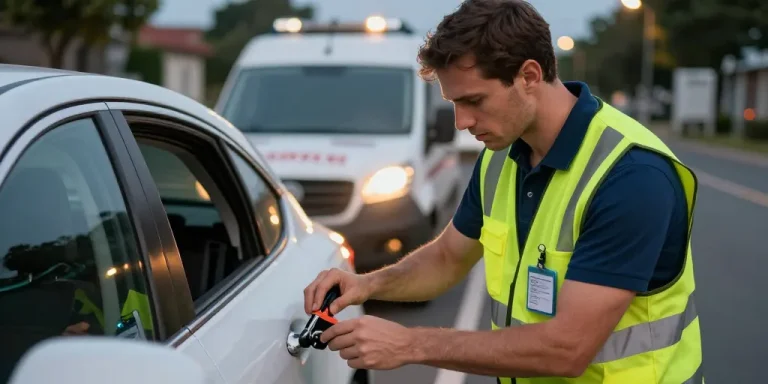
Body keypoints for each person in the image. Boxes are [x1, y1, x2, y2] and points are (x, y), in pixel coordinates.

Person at [302, 0, 704, 382]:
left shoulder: (631, 177)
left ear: (528, 76)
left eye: (473, 100)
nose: (461, 122)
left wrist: (411, 343)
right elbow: (446, 258)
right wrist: (368, 285)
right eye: (454, 103)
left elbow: (567, 349)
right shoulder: (502, 155)